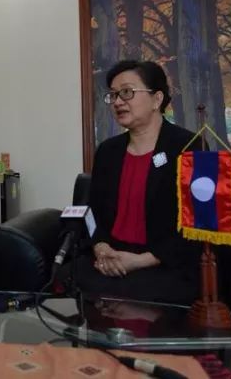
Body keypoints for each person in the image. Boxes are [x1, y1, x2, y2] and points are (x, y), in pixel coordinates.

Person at [65, 60, 203, 304]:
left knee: (134, 294)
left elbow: (199, 225)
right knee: (67, 278)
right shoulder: (108, 151)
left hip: (163, 264)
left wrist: (140, 261)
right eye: (113, 95)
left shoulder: (190, 147)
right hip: (110, 259)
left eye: (127, 92)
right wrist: (101, 247)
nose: (118, 102)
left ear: (157, 99)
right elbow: (94, 212)